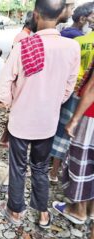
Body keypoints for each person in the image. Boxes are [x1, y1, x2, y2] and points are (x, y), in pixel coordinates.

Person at [0, 0, 80, 228]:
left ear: (36, 14)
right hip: (47, 121)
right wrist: (52, 103)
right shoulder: (71, 47)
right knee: (41, 167)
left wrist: (13, 104)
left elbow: (3, 86)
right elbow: (68, 88)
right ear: (62, 13)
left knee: (17, 167)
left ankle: (15, 211)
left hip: (20, 121)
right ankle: (43, 213)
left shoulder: (24, 45)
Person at [49, 1, 94, 182]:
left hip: (73, 91)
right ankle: (59, 172)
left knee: (62, 131)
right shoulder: (79, 39)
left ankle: (53, 169)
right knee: (73, 135)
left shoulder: (77, 40)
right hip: (81, 94)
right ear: (83, 18)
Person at [53, 60, 94, 225]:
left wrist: (74, 119)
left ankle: (79, 210)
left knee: (82, 160)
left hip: (91, 116)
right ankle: (91, 208)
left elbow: (92, 89)